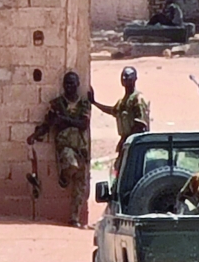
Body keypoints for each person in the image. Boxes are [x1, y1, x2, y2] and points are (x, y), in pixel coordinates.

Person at [27, 71, 92, 228]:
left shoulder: (84, 104)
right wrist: (35, 135)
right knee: (71, 165)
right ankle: (64, 176)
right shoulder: (56, 104)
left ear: (77, 85)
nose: (69, 87)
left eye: (72, 83)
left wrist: (63, 120)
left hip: (81, 149)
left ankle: (74, 218)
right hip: (66, 147)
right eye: (67, 83)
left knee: (80, 188)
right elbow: (47, 124)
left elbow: (83, 124)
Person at [91, 66, 151, 174]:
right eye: (123, 76)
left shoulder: (138, 99)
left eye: (128, 76)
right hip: (126, 141)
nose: (124, 78)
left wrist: (128, 140)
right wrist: (94, 103)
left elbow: (141, 124)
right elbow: (113, 111)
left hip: (135, 143)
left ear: (135, 78)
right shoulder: (123, 101)